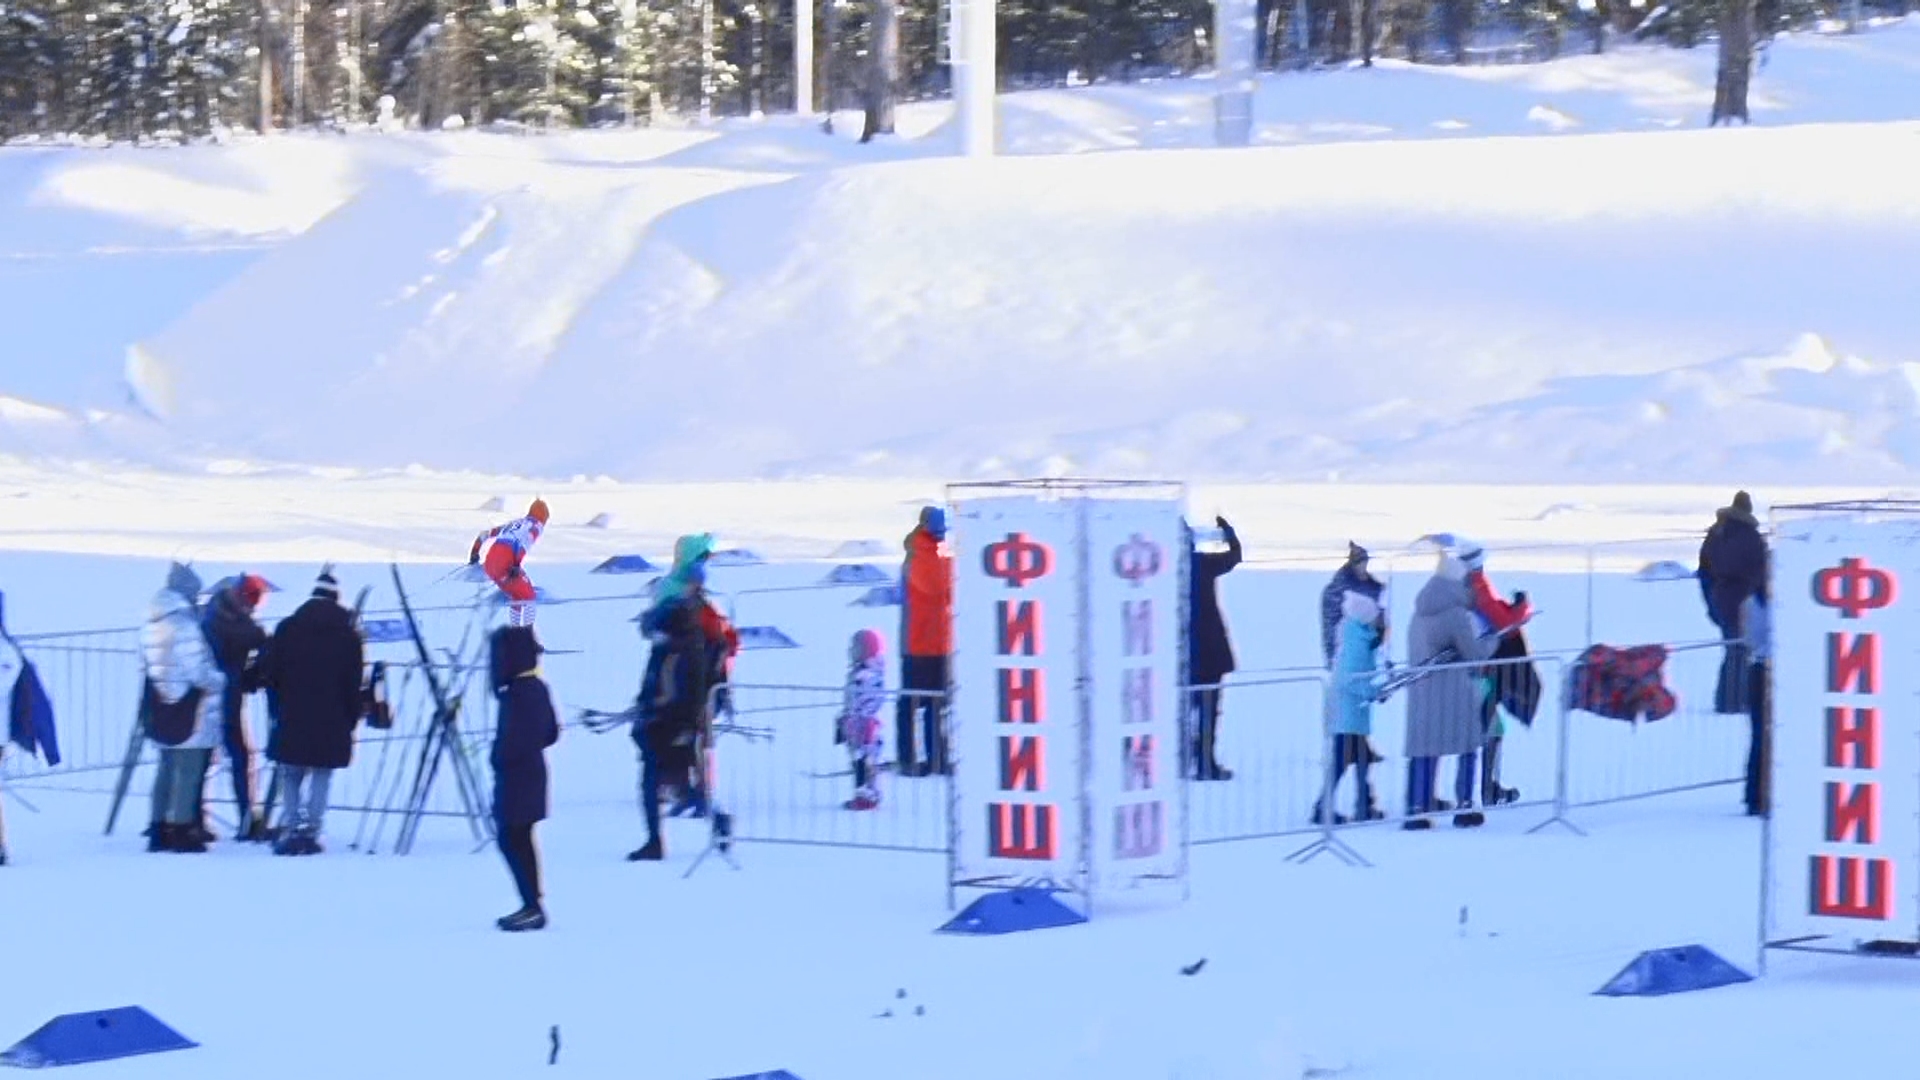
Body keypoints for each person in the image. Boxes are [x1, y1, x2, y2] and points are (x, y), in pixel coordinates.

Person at [258, 568, 365, 856]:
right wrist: (351, 717)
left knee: (290, 773)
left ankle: (292, 826)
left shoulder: (287, 629)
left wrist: (276, 708)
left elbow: (272, 675)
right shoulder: (349, 636)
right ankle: (312, 829)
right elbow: (353, 683)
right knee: (322, 772)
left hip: (292, 712)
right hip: (332, 718)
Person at [1404, 554, 1499, 830]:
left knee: (1424, 750)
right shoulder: (1456, 615)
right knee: (1468, 747)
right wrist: (1493, 640)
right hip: (1455, 693)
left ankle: (1416, 808)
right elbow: (1474, 654)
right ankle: (1465, 806)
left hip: (1422, 693)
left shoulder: (1418, 613)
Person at [141, 562, 225, 854]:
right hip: (192, 708)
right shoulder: (184, 624)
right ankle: (181, 829)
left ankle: (159, 826)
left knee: (166, 768)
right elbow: (198, 670)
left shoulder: (153, 621)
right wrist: (220, 680)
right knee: (188, 770)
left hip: (163, 704)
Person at [655, 535, 737, 818]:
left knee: (696, 733)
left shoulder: (699, 601)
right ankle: (683, 786)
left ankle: (697, 789)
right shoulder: (674, 594)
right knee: (681, 731)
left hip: (702, 676)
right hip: (683, 675)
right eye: (702, 560)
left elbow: (722, 638)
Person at [628, 597, 710, 862]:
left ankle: (719, 825)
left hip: (672, 729)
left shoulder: (687, 654)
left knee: (678, 786)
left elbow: (690, 697)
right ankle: (654, 840)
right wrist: (643, 705)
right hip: (656, 728)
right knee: (655, 785)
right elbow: (651, 685)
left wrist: (682, 726)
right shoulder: (664, 652)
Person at [490, 625, 560, 931]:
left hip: (518, 776)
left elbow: (516, 738)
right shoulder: (537, 687)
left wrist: (500, 755)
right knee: (519, 838)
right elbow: (551, 732)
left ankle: (532, 903)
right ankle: (531, 901)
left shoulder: (518, 694)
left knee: (512, 838)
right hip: (531, 774)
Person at [1458, 544, 1532, 807]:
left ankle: (1484, 789)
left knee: (1485, 729)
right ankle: (1487, 790)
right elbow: (1504, 624)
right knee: (1491, 730)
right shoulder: (1479, 586)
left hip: (1469, 670)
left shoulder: (1460, 585)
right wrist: (1523, 607)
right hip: (1481, 671)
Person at [203, 574, 270, 841]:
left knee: (212, 758)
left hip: (219, 696)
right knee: (234, 757)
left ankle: (194, 816)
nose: (254, 607)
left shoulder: (217, 614)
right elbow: (252, 641)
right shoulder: (231, 624)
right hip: (221, 697)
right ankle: (244, 816)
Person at [1313, 590, 1387, 825]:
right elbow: (1352, 678)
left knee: (1361, 759)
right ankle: (1326, 808)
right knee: (1343, 762)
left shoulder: (1357, 635)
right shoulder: (1356, 641)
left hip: (1350, 713)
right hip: (1348, 714)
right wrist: (1374, 692)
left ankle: (1364, 803)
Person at [1698, 490, 1767, 714]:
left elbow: (1704, 571)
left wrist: (1710, 602)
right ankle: (1735, 701)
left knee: (1732, 649)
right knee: (1741, 649)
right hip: (1743, 600)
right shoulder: (1751, 538)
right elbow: (1760, 572)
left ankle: (1727, 700)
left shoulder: (1715, 535)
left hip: (1719, 598)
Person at [897, 506, 952, 777]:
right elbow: (938, 589)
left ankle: (936, 757)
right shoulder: (918, 556)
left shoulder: (937, 555)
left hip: (937, 643)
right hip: (917, 644)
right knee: (912, 703)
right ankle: (908, 758)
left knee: (936, 704)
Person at [1187, 515, 1242, 781]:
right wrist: (1227, 531)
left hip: (1179, 654)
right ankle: (1205, 762)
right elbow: (1234, 556)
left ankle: (1186, 760)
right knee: (1208, 712)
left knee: (1182, 711)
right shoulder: (1201, 564)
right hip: (1209, 653)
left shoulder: (1160, 571)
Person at [470, 499, 549, 628]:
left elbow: (486, 533)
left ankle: (515, 636)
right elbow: (526, 541)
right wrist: (516, 565)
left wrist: (475, 551)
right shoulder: (536, 526)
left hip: (490, 563)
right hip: (505, 562)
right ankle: (527, 639)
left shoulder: (515, 523)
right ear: (544, 516)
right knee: (529, 597)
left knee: (517, 596)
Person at [838, 629, 888, 811]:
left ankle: (867, 795)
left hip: (866, 728)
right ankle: (865, 793)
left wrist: (857, 718)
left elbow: (869, 701)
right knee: (860, 760)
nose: (852, 651)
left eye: (856, 647)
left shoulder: (868, 675)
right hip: (857, 725)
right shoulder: (861, 672)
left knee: (865, 761)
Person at [1320, 543, 1384, 666]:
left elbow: (1380, 615)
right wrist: (1332, 656)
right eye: (1361, 563)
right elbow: (1329, 626)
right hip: (1345, 651)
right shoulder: (1337, 591)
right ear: (1353, 564)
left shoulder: (1374, 588)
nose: (1364, 566)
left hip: (1368, 649)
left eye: (1366, 562)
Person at [1741, 588, 1771, 817]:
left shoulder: (1750, 601)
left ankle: (1754, 795)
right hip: (1770, 670)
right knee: (1765, 735)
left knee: (1759, 734)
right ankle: (1761, 794)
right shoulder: (1784, 602)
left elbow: (1748, 637)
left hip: (1757, 668)